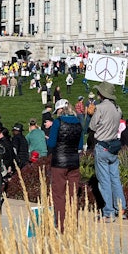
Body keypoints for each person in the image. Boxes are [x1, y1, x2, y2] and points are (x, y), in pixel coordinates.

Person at [89, 82, 126, 222]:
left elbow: (92, 126)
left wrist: (91, 114)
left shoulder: (100, 107)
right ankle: (120, 208)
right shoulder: (118, 108)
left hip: (102, 145)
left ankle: (108, 212)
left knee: (104, 180)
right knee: (115, 179)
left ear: (102, 94)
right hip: (113, 145)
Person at [46, 98, 84, 231]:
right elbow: (80, 145)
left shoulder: (58, 122)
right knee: (73, 194)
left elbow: (51, 144)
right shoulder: (79, 123)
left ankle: (62, 225)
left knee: (59, 194)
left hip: (59, 162)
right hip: (74, 162)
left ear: (61, 110)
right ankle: (73, 223)